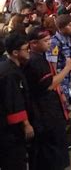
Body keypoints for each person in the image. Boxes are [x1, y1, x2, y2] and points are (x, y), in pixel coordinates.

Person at [24, 27, 71, 170]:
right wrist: (68, 67)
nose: (49, 43)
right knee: (50, 153)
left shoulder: (40, 58)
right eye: (46, 40)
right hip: (45, 113)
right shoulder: (35, 61)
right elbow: (50, 84)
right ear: (34, 43)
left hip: (50, 109)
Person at [0, 33, 33, 170]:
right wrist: (26, 124)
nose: (29, 51)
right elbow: (14, 102)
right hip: (9, 131)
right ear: (15, 52)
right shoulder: (10, 73)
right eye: (26, 49)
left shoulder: (9, 67)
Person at [46, 14, 71, 109]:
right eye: (70, 25)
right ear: (62, 27)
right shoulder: (54, 43)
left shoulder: (67, 39)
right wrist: (59, 90)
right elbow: (53, 68)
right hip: (59, 82)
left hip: (67, 80)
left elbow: (70, 63)